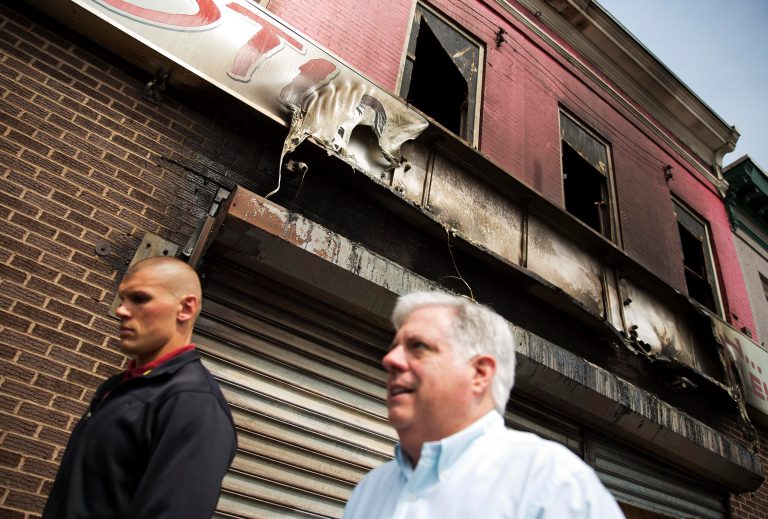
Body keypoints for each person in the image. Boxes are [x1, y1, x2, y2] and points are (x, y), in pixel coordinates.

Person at [343, 291, 624, 518]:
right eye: (394, 347)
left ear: (479, 374)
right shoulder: (370, 490)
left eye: (418, 347)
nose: (390, 360)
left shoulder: (550, 482)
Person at [42, 256, 237, 519]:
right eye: (123, 299)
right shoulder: (118, 386)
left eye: (140, 299)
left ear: (186, 309)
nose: (122, 310)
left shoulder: (193, 403)